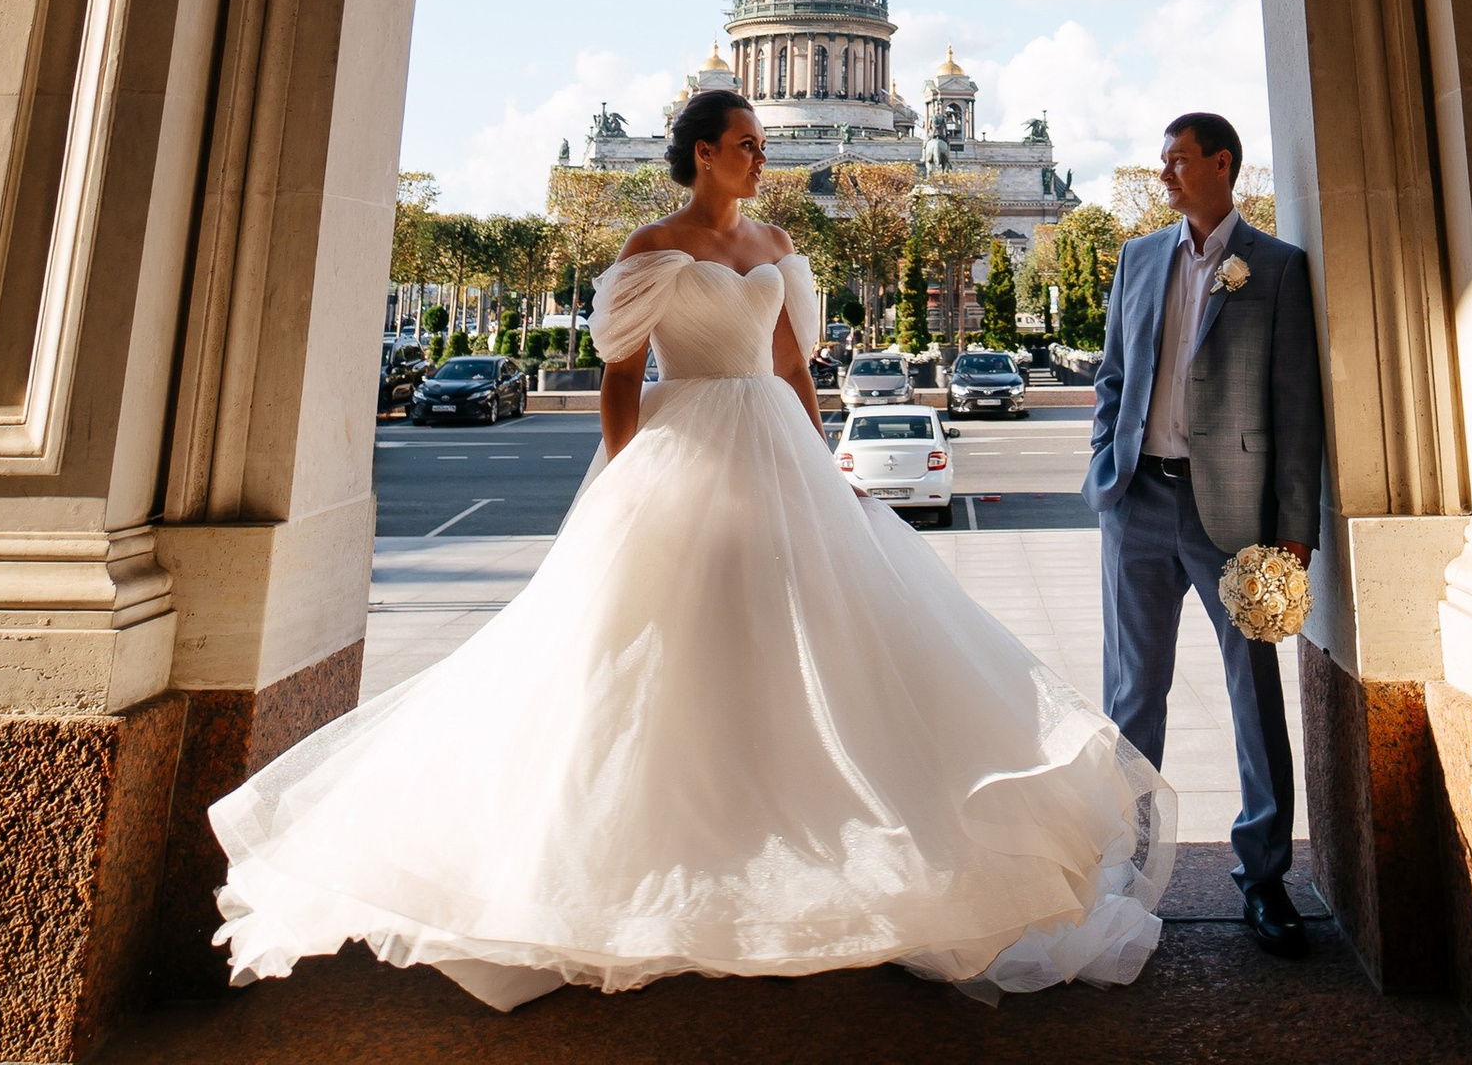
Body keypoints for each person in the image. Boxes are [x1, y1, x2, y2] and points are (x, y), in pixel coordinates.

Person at [211, 87, 1172, 1010]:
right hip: (684, 452)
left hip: (780, 456)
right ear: (704, 152)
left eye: (761, 140)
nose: (762, 156)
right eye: (747, 142)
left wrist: (828, 453)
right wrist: (626, 472)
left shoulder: (776, 243)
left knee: (801, 642)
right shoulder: (653, 245)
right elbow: (620, 376)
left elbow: (793, 365)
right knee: (658, 656)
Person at [1083, 111, 1324, 958]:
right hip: (1138, 502)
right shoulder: (1139, 257)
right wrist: (1104, 479)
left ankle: (1264, 881)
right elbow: (1114, 375)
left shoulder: (1279, 270)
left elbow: (1298, 412)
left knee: (1254, 696)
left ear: (1222, 165)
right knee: (1131, 697)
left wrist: (1293, 531)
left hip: (1241, 518)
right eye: (1162, 163)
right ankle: (1130, 868)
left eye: (1179, 161)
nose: (1165, 176)